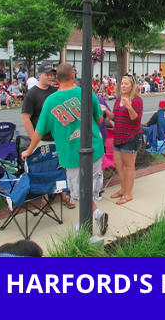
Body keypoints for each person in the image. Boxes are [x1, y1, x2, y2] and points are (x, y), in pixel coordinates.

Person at [21, 63, 109, 235]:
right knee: (89, 189)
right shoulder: (87, 93)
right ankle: (96, 215)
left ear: (56, 78)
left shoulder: (50, 102)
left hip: (70, 153)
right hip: (95, 147)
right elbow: (99, 120)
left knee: (80, 192)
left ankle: (84, 227)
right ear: (72, 76)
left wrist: (30, 150)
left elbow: (39, 131)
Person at [110, 75, 143, 205]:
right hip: (118, 135)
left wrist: (129, 106)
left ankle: (128, 194)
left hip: (131, 136)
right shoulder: (118, 99)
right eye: (121, 83)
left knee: (129, 166)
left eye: (126, 83)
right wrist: (106, 111)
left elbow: (136, 119)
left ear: (132, 86)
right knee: (118, 164)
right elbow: (116, 117)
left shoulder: (137, 100)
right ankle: (122, 189)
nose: (123, 86)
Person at [22, 63, 58, 145]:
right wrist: (34, 140)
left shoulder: (54, 91)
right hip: (42, 139)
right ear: (39, 75)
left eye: (51, 75)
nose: (50, 77)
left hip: (56, 137)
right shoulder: (32, 94)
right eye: (47, 75)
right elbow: (25, 118)